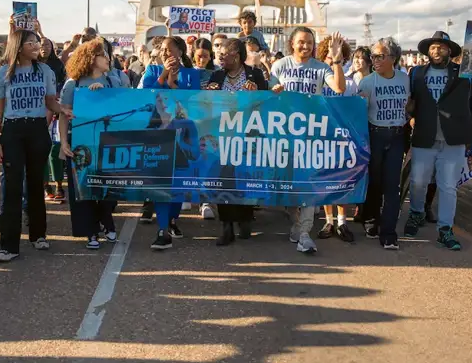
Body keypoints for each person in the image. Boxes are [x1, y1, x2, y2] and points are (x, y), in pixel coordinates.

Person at [404, 30, 472, 250]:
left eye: (441, 46)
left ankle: (445, 229)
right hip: (424, 136)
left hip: (453, 139)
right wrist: (409, 115)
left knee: (448, 186)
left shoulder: (464, 72)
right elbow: (411, 100)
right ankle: (416, 214)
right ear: (428, 51)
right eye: (433, 47)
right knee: (418, 181)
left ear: (450, 50)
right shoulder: (416, 73)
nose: (436, 50)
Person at [270, 27, 346, 254]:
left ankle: (305, 232)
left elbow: (340, 88)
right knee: (290, 186)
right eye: (301, 42)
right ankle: (295, 224)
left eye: (310, 43)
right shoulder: (280, 66)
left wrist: (337, 60)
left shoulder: (322, 68)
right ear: (292, 43)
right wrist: (275, 91)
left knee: (309, 183)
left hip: (312, 136)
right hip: (285, 135)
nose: (306, 46)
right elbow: (269, 96)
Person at [0, 30, 62, 262]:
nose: (35, 46)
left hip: (37, 130)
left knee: (35, 184)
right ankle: (9, 246)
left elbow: (50, 102)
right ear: (18, 46)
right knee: (12, 187)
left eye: (36, 42)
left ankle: (38, 234)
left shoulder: (45, 71)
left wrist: (66, 110)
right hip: (12, 130)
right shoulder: (2, 74)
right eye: (30, 43)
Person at [139, 36, 201, 250]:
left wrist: (174, 83)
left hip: (183, 134)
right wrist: (165, 74)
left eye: (169, 50)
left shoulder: (192, 74)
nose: (165, 53)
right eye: (162, 50)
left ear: (181, 52)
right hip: (159, 135)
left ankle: (173, 219)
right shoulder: (153, 71)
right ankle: (162, 229)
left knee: (178, 184)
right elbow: (147, 95)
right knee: (161, 183)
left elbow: (190, 101)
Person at [206, 38, 268, 245]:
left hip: (248, 134)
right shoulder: (216, 76)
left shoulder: (255, 74)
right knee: (224, 178)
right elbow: (206, 105)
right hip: (223, 135)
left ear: (237, 56)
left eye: (224, 54)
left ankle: (245, 218)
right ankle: (226, 226)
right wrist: (209, 95)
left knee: (245, 177)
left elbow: (267, 103)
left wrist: (256, 95)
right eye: (219, 54)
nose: (220, 57)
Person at [59, 39, 119, 249]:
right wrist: (64, 142)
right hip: (81, 144)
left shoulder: (113, 82)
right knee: (83, 188)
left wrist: (103, 95)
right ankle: (91, 231)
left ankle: (107, 222)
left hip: (107, 143)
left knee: (107, 187)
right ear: (93, 59)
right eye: (103, 55)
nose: (108, 58)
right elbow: (64, 115)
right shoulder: (73, 84)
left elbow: (119, 108)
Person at [358, 38, 409, 250]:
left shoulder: (405, 79)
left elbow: (410, 104)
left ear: (393, 58)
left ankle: (388, 233)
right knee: (375, 182)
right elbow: (359, 112)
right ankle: (371, 218)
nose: (375, 60)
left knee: (392, 186)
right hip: (374, 135)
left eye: (380, 56)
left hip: (398, 135)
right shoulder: (367, 82)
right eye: (373, 56)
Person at [316, 43, 371, 242]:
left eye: (336, 57)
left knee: (342, 178)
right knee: (325, 179)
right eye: (328, 57)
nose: (331, 61)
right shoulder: (318, 79)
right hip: (322, 136)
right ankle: (328, 220)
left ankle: (342, 221)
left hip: (343, 138)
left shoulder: (349, 83)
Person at [39, 37, 67, 202]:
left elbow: (62, 86)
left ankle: (58, 185)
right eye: (41, 45)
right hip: (37, 113)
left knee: (54, 152)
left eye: (47, 45)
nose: (43, 48)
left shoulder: (58, 66)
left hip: (56, 111)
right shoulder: (31, 65)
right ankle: (45, 186)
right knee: (41, 152)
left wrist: (57, 104)